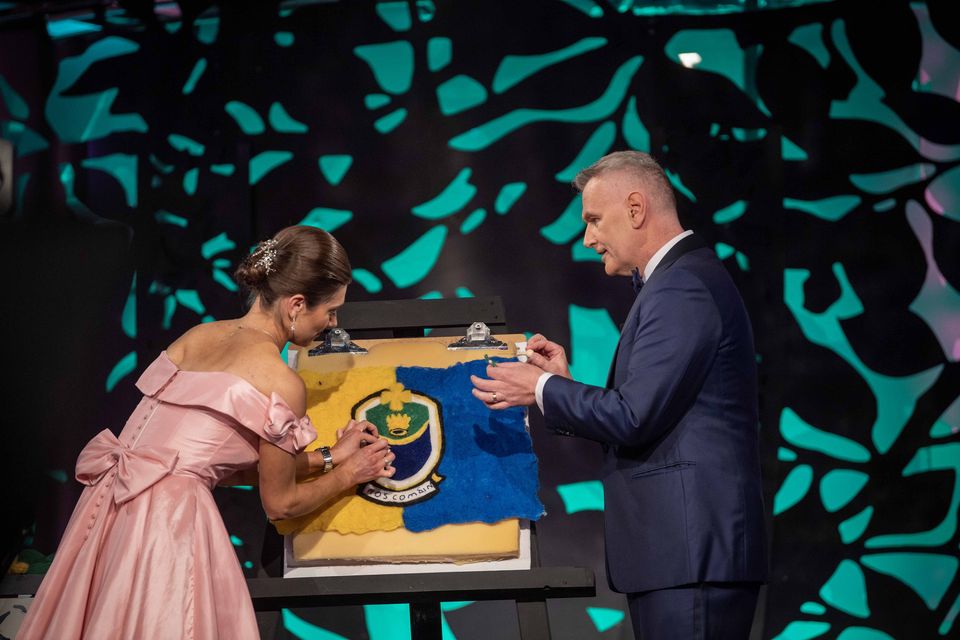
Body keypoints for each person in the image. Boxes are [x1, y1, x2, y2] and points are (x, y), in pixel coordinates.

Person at [18, 226, 396, 639]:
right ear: (297, 304)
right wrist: (349, 474)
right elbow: (281, 503)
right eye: (331, 310)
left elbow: (222, 465)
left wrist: (330, 456)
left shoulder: (195, 337)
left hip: (110, 507)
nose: (334, 322)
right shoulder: (280, 380)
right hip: (168, 522)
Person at [471, 151, 767, 639]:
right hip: (680, 559)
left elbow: (633, 417)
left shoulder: (682, 288)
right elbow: (647, 415)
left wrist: (541, 387)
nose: (587, 239)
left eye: (593, 220)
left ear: (635, 208)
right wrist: (561, 381)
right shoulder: (677, 283)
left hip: (691, 558)